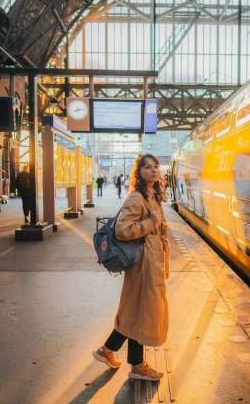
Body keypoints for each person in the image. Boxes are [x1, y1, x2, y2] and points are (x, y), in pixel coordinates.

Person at [92, 154, 170, 381]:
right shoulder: (137, 198)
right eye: (148, 167)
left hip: (151, 262)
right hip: (144, 263)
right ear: (139, 172)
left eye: (156, 166)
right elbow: (122, 230)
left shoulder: (151, 196)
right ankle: (137, 366)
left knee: (136, 311)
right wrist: (150, 223)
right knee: (142, 312)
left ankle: (107, 351)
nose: (154, 170)